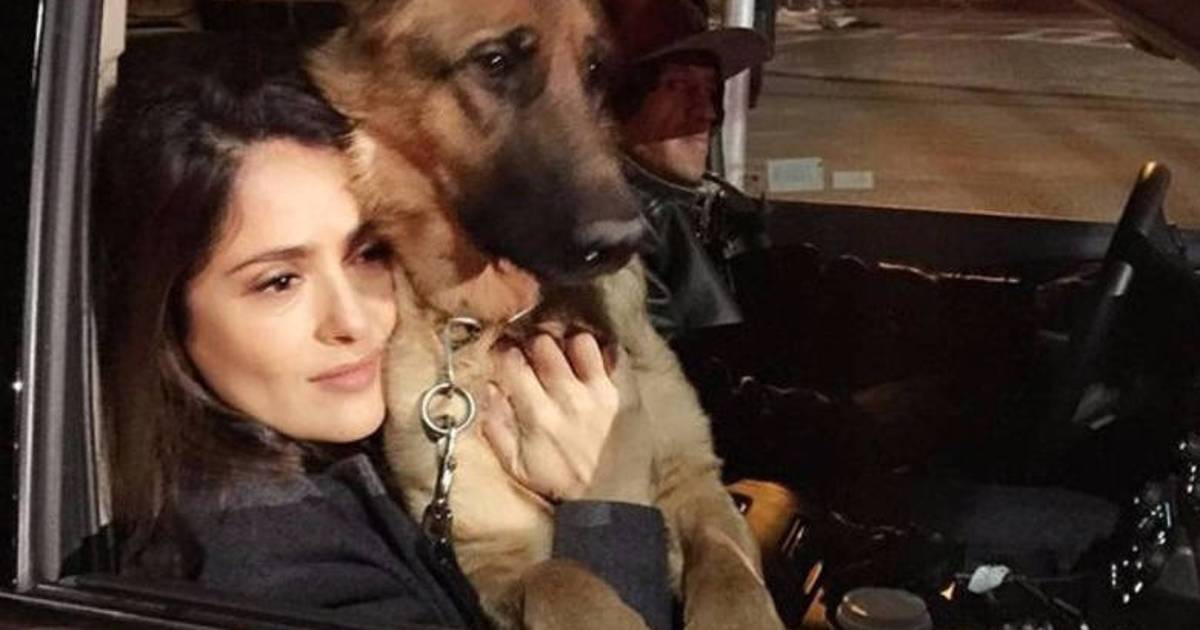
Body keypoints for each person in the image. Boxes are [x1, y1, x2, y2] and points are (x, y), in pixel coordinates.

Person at [92, 36, 670, 629]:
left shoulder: (339, 458)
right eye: (279, 282)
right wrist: (610, 500)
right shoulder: (268, 568)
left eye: (369, 254)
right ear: (166, 312)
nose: (352, 320)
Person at [604, 0, 773, 338]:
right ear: (613, 101)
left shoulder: (718, 213)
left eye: (710, 89)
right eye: (677, 86)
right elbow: (687, 363)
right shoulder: (610, 240)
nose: (706, 112)